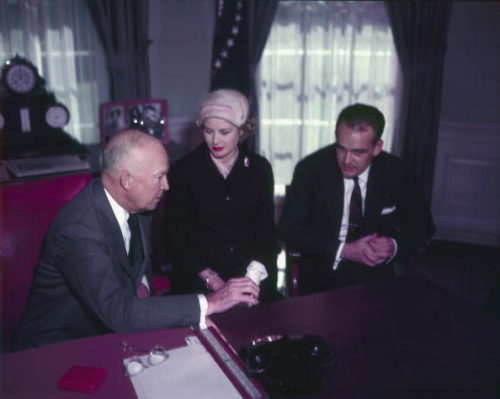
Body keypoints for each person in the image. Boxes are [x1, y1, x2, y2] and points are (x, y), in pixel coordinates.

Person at [13, 129, 259, 351]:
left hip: (108, 334)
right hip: (58, 348)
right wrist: (210, 302)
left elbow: (139, 265)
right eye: (159, 177)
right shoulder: (78, 228)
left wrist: (144, 288)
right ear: (126, 180)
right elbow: (120, 313)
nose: (167, 186)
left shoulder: (137, 204)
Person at [279, 103, 435, 294]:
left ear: (377, 147)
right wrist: (344, 250)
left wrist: (393, 246)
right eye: (341, 148)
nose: (346, 160)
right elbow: (289, 228)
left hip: (374, 274)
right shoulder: (311, 170)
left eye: (358, 152)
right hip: (323, 270)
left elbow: (424, 226)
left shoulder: (398, 172)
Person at [163, 89, 280, 301]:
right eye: (208, 131)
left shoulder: (260, 169)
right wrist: (212, 279)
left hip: (252, 278)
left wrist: (252, 276)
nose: (215, 140)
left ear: (242, 131)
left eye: (224, 132)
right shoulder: (184, 171)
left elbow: (266, 231)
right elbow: (177, 236)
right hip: (199, 281)